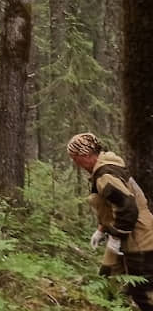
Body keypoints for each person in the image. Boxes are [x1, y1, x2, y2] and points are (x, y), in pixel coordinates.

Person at [67, 133, 153, 310]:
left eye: (75, 159)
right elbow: (110, 204)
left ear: (85, 155)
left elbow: (128, 208)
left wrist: (115, 235)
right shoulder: (101, 170)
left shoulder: (106, 175)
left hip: (139, 236)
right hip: (125, 232)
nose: (76, 164)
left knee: (143, 290)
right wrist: (101, 228)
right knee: (109, 276)